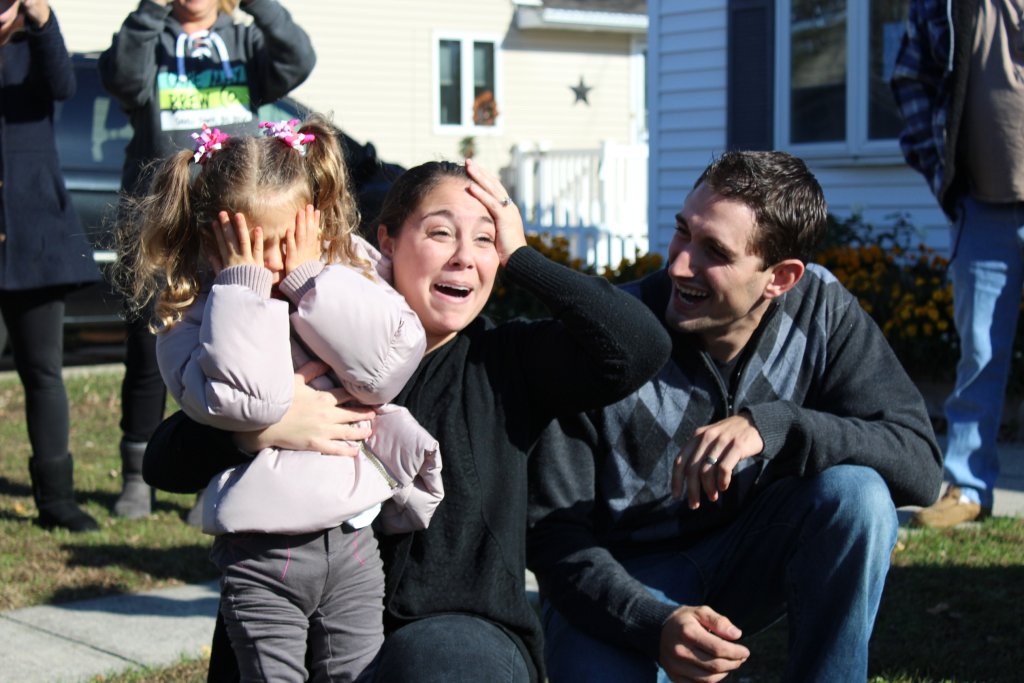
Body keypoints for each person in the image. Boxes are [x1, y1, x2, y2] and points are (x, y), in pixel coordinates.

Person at [141, 157, 673, 682]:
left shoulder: (505, 360)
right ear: (387, 242)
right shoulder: (288, 329)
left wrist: (523, 256)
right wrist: (259, 431)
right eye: (441, 233)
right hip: (297, 625)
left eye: (484, 241)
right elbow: (165, 462)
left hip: (454, 641)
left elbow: (638, 346)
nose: (465, 257)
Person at [525, 150, 944, 682]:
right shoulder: (607, 338)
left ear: (781, 278)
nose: (679, 264)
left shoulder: (822, 310)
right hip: (617, 581)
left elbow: (920, 466)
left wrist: (778, 425)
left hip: (749, 556)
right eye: (682, 232)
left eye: (713, 252)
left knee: (858, 496)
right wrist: (654, 623)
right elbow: (552, 537)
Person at [115, 116, 444, 682]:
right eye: (248, 248)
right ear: (213, 240)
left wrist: (311, 278)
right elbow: (253, 402)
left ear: (314, 223)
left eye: (283, 243)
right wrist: (238, 288)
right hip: (261, 556)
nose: (270, 264)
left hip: (351, 539)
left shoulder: (350, 266)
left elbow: (383, 372)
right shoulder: (191, 307)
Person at [99, 0, 316, 519]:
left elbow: (297, 60)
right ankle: (138, 472)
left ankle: (212, 466)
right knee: (154, 347)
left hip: (235, 223)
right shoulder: (150, 35)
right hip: (166, 217)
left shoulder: (243, 43)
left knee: (229, 344)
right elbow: (124, 79)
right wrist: (150, 10)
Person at [891, 0, 1023, 527]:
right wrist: (940, 173)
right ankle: (967, 487)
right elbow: (910, 77)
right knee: (980, 352)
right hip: (981, 206)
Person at [0, 0, 102, 532]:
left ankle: (56, 500)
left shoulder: (33, 46)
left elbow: (63, 85)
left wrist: (40, 17)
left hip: (35, 240)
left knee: (44, 373)